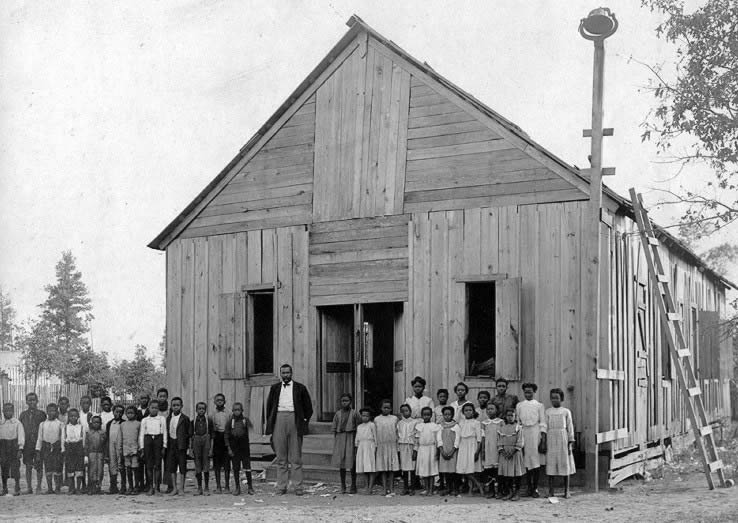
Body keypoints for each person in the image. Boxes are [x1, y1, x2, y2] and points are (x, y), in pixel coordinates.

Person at [265, 363, 313, 496]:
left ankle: (298, 486)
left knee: (296, 456)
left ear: (291, 373)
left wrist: (303, 420)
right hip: (279, 419)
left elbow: (308, 407)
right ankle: (281, 486)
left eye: (288, 373)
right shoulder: (275, 388)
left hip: (294, 419)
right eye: (283, 373)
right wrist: (271, 423)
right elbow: (269, 408)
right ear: (280, 374)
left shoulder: (300, 388)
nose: (285, 375)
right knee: (281, 456)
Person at [516, 383, 547, 498]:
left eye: (530, 392)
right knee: (526, 461)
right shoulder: (519, 405)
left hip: (535, 432)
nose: (528, 394)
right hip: (524, 432)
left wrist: (543, 440)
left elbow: (543, 423)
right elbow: (518, 422)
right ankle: (528, 487)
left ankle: (535, 487)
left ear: (534, 392)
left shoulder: (539, 405)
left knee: (535, 461)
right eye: (526, 392)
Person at [544, 388, 575, 499]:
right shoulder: (548, 411)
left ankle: (567, 490)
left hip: (563, 438)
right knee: (551, 463)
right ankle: (551, 490)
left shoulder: (566, 411)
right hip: (551, 438)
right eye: (552, 398)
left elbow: (570, 428)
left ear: (561, 399)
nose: (554, 400)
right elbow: (544, 427)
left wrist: (570, 443)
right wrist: (543, 441)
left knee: (564, 463)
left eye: (556, 398)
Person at [331, 393, 360, 494]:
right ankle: (343, 484)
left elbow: (358, 427)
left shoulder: (354, 413)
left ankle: (353, 484)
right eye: (343, 401)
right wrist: (337, 440)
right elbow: (334, 428)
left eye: (347, 401)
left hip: (351, 437)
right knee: (341, 463)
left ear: (350, 402)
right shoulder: (338, 414)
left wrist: (356, 440)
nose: (345, 403)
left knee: (352, 462)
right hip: (340, 438)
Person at [19, 391, 46, 494]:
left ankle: (38, 487)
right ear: (26, 402)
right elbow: (20, 430)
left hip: (38, 444)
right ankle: (29, 487)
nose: (32, 402)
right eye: (29, 400)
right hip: (27, 444)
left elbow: (44, 428)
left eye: (34, 400)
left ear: (37, 401)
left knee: (39, 465)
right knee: (28, 466)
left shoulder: (42, 414)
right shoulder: (23, 415)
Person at [455, 402, 484, 497]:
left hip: (472, 445)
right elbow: (458, 436)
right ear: (463, 412)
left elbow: (479, 439)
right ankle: (478, 484)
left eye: (470, 410)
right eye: (466, 410)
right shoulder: (461, 423)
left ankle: (472, 489)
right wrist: (458, 448)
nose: (468, 412)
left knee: (471, 469)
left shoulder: (476, 423)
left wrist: (477, 451)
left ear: (473, 411)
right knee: (464, 468)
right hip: (463, 446)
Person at [225, 402, 253, 496]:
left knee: (247, 468)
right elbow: (226, 435)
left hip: (244, 448)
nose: (237, 412)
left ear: (242, 411)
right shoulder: (230, 422)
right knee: (236, 468)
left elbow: (251, 432)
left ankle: (250, 487)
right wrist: (229, 448)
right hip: (234, 448)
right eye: (235, 410)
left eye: (238, 410)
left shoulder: (245, 420)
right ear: (232, 411)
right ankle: (237, 487)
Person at [139, 399, 167, 495]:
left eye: (156, 408)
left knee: (158, 465)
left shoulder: (161, 419)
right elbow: (142, 434)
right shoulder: (145, 420)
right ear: (149, 408)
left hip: (158, 439)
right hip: (148, 440)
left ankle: (157, 487)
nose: (154, 410)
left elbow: (164, 432)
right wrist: (142, 448)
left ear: (158, 409)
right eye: (152, 408)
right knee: (149, 465)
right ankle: (150, 486)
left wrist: (164, 446)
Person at [36, 402, 64, 494]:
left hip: (56, 448)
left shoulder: (60, 424)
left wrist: (63, 449)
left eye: (54, 411)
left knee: (57, 468)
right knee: (48, 468)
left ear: (57, 412)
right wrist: (38, 450)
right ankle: (50, 488)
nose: (52, 413)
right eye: (50, 411)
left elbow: (62, 437)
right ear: (47, 412)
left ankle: (57, 488)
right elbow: (40, 438)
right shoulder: (42, 424)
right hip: (46, 448)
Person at [497, 407, 524, 501]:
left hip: (515, 453)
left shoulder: (518, 428)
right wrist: (503, 452)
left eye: (512, 415)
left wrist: (513, 452)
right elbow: (499, 441)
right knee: (506, 474)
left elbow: (520, 441)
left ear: (515, 416)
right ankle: (509, 492)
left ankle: (517, 492)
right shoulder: (502, 428)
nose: (510, 417)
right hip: (505, 454)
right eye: (508, 415)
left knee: (516, 474)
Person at [166, 397, 191, 495]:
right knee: (172, 467)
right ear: (171, 406)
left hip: (181, 445)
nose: (176, 407)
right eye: (174, 405)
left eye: (178, 405)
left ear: (181, 406)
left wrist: (188, 446)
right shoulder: (169, 418)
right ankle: (174, 488)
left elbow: (189, 433)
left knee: (182, 466)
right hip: (171, 445)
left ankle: (181, 488)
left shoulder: (185, 418)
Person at [413, 406, 440, 496]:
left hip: (431, 449)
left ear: (431, 415)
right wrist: (415, 451)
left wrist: (437, 451)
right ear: (422, 415)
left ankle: (431, 490)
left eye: (428, 415)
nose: (426, 416)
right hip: (422, 450)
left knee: (431, 470)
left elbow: (437, 440)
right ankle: (426, 488)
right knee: (424, 470)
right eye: (424, 415)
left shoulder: (435, 426)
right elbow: (416, 441)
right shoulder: (419, 426)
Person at [374, 399, 399, 496]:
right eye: (384, 407)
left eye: (388, 408)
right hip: (381, 446)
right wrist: (376, 446)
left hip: (392, 445)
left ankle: (392, 488)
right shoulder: (377, 419)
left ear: (391, 409)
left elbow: (397, 432)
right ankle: (384, 488)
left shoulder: (394, 419)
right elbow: (375, 433)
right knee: (383, 468)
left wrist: (397, 446)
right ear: (381, 408)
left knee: (391, 469)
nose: (386, 409)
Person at [0, 402, 24, 496]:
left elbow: (21, 436)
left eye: (10, 410)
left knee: (15, 467)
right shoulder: (1, 423)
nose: (8, 412)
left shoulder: (17, 423)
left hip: (14, 446)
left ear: (13, 411)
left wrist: (20, 448)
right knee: (4, 467)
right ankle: (4, 487)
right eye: (6, 410)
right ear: (3, 411)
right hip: (3, 446)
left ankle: (17, 487)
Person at [190, 401, 213, 495]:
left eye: (203, 409)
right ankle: (199, 487)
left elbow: (212, 436)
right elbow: (191, 436)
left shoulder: (209, 421)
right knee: (198, 465)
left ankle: (206, 487)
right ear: (196, 410)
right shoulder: (193, 422)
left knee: (206, 464)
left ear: (205, 410)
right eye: (199, 408)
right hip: (196, 441)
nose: (201, 410)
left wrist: (211, 448)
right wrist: (190, 449)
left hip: (206, 441)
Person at [481, 403, 503, 498]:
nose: (490, 411)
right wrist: (482, 450)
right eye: (488, 409)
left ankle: (498, 490)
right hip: (488, 448)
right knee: (488, 469)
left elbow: (503, 435)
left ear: (496, 410)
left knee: (497, 469)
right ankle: (490, 490)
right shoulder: (484, 423)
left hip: (497, 447)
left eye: (492, 409)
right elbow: (482, 437)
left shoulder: (501, 422)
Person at [436, 405, 459, 496]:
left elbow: (457, 439)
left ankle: (454, 488)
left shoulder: (456, 426)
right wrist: (441, 450)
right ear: (442, 415)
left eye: (449, 414)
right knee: (445, 471)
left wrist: (453, 451)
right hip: (443, 450)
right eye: (445, 414)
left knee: (453, 471)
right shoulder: (440, 426)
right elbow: (439, 439)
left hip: (453, 451)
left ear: (452, 415)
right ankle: (447, 488)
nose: (447, 416)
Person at [211, 393, 232, 493]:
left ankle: (227, 486)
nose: (219, 402)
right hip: (216, 438)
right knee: (217, 464)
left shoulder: (228, 413)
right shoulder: (212, 414)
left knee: (227, 464)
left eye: (221, 400)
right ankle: (218, 486)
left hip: (226, 438)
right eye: (217, 400)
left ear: (225, 402)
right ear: (214, 402)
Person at [63, 408, 86, 494]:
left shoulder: (81, 427)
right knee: (70, 469)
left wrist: (83, 450)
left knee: (79, 469)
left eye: (75, 416)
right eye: (71, 416)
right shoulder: (65, 427)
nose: (73, 418)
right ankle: (71, 488)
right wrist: (63, 449)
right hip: (69, 449)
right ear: (68, 417)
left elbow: (83, 440)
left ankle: (78, 488)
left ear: (78, 417)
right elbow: (63, 439)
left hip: (79, 449)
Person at [396, 404, 417, 496]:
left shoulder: (415, 422)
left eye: (407, 410)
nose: (405, 413)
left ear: (410, 411)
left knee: (412, 467)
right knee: (404, 468)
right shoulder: (399, 423)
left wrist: (415, 449)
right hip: (402, 446)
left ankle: (412, 487)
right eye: (403, 411)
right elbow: (397, 436)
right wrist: (398, 449)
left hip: (411, 446)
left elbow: (417, 437)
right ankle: (405, 487)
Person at [354, 407, 376, 495]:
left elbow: (375, 437)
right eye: (363, 416)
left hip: (370, 446)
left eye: (367, 416)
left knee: (370, 467)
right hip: (362, 447)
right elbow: (357, 438)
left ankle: (370, 487)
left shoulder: (372, 425)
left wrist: (375, 447)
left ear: (370, 417)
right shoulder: (359, 426)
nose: (365, 418)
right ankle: (366, 486)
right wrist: (356, 447)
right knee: (365, 468)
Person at [120, 406, 141, 494]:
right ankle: (130, 487)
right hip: (126, 449)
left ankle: (136, 487)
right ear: (126, 414)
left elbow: (140, 436)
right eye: (128, 413)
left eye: (132, 413)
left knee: (135, 468)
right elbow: (121, 437)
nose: (130, 414)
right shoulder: (123, 424)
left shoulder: (138, 424)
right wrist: (121, 448)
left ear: (135, 414)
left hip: (135, 449)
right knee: (128, 469)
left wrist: (140, 448)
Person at [107, 404, 125, 494]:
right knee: (112, 465)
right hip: (111, 446)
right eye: (117, 412)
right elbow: (107, 437)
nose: (119, 414)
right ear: (113, 412)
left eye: (121, 412)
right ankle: (113, 486)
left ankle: (123, 486)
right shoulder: (109, 423)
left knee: (121, 465)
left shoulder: (124, 423)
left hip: (120, 446)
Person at [156, 388, 171, 492]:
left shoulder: (170, 410)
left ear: (167, 397)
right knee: (157, 463)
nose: (162, 398)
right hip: (156, 437)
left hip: (168, 438)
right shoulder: (154, 409)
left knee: (168, 462)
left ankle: (169, 485)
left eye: (164, 396)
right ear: (157, 397)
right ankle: (156, 485)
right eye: (160, 396)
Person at [86, 416, 106, 495]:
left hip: (100, 454)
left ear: (100, 423)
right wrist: (86, 455)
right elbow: (86, 444)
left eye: (98, 422)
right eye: (94, 422)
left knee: (100, 471)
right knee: (91, 471)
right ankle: (91, 487)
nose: (96, 424)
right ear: (91, 423)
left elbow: (105, 445)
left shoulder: (103, 433)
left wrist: (106, 455)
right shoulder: (89, 433)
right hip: (91, 453)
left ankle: (98, 487)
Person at [135, 393, 150, 491]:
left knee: (148, 462)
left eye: (145, 398)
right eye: (142, 398)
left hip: (148, 438)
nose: (144, 400)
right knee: (139, 463)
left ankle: (148, 483)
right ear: (139, 400)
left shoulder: (150, 410)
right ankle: (140, 483)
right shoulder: (136, 411)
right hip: (138, 439)